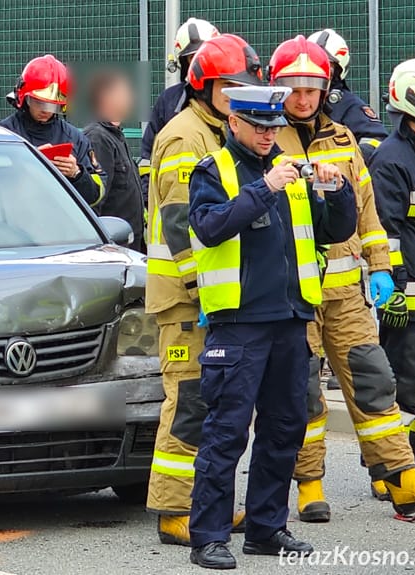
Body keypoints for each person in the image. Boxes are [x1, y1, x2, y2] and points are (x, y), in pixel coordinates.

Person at [270, 36, 415, 523]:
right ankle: (309, 484)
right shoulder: (264, 138)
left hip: (346, 293)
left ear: (327, 89)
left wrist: (383, 269)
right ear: (276, 88)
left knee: (374, 381)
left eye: (313, 90)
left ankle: (400, 475)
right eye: (293, 89)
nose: (303, 100)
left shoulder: (344, 140)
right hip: (293, 295)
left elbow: (369, 215)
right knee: (302, 393)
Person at [187, 84, 358, 569]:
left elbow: (333, 232)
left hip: (289, 319)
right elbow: (209, 227)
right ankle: (210, 537)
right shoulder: (214, 170)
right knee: (226, 432)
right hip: (239, 323)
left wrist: (338, 189)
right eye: (259, 127)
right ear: (234, 123)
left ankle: (265, 528)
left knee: (285, 428)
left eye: (274, 127)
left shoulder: (290, 171)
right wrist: (266, 187)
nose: (268, 136)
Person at [145, 34, 262, 547]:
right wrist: (202, 292)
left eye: (243, 84)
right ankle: (175, 511)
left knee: (208, 401)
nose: (237, 92)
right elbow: (177, 225)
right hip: (186, 297)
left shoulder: (216, 131)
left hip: (210, 295)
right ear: (205, 86)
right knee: (189, 399)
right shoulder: (185, 137)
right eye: (228, 85)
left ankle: (195, 503)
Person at [369, 58, 415, 492]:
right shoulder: (392, 160)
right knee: (402, 393)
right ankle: (390, 472)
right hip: (411, 301)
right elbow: (387, 231)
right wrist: (392, 289)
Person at [0, 54, 105, 206]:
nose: (46, 111)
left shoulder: (75, 138)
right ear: (24, 98)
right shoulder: (3, 136)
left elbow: (96, 196)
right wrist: (28, 164)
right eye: (40, 103)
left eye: (53, 106)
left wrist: (76, 173)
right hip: (17, 222)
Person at [139, 18, 220, 207]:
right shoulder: (169, 100)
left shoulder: (228, 99)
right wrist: (147, 200)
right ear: (184, 62)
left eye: (206, 55)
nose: (201, 63)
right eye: (194, 57)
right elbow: (147, 157)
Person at [84, 68, 145, 251]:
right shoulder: (98, 138)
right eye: (124, 92)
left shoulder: (115, 136)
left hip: (130, 247)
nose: (131, 98)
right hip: (114, 251)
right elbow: (96, 198)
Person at [308, 28, 389, 164]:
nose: (318, 71)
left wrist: (346, 161)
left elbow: (377, 141)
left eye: (326, 66)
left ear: (338, 70)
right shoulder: (293, 100)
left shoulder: (348, 105)